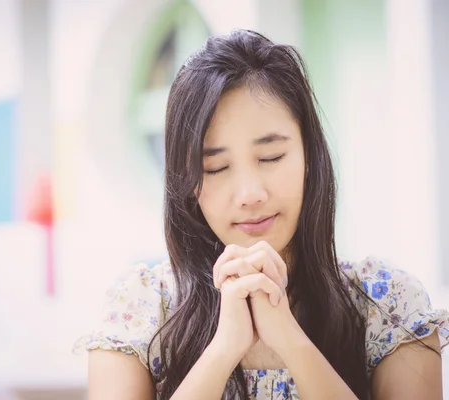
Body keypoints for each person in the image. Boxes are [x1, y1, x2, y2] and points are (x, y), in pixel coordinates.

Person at [75, 29, 449, 399]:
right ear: (187, 182)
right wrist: (223, 350)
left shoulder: (388, 306)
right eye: (216, 168)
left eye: (271, 157)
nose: (250, 194)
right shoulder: (140, 310)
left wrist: (290, 340)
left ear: (309, 157)